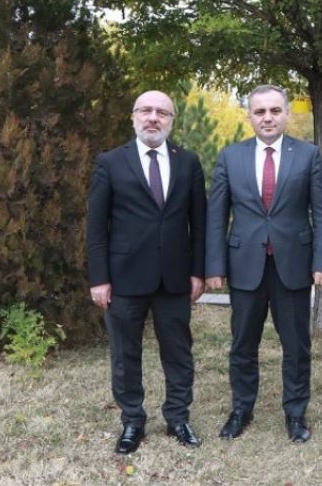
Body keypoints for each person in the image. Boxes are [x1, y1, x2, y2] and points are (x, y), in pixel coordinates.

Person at [206, 85, 322, 444]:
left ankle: (295, 413)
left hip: (293, 266)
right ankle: (241, 410)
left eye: (275, 111)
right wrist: (214, 266)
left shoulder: (308, 155)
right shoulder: (230, 156)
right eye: (260, 111)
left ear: (286, 114)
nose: (267, 118)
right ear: (249, 115)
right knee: (242, 345)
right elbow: (216, 215)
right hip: (244, 265)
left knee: (296, 347)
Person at [86, 90, 206, 454]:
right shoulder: (110, 162)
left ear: (171, 120)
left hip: (175, 278)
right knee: (125, 355)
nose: (153, 117)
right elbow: (96, 227)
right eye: (146, 110)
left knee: (179, 353)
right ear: (134, 116)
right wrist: (99, 278)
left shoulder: (188, 162)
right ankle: (132, 422)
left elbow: (199, 224)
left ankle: (178, 418)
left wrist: (198, 272)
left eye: (162, 112)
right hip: (123, 278)